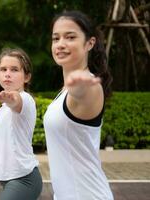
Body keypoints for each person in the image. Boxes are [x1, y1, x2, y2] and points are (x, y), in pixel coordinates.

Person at [43, 11, 114, 200]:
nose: (60, 44)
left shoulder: (90, 86)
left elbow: (83, 95)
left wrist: (79, 88)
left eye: (70, 37)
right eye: (55, 38)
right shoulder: (64, 92)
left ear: (90, 43)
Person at [0, 48, 43, 200]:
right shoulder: (3, 108)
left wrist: (11, 99)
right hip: (10, 180)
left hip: (24, 179)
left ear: (26, 77)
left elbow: (16, 101)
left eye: (14, 70)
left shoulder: (25, 99)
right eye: (3, 69)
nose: (7, 73)